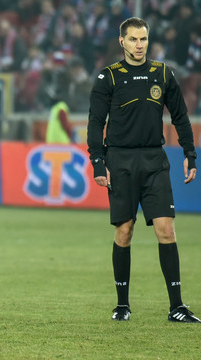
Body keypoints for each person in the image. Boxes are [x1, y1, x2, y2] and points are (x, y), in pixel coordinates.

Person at [87, 17, 200, 323]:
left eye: (144, 39)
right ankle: (122, 304)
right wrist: (98, 161)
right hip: (120, 161)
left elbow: (180, 116)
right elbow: (96, 122)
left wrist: (190, 154)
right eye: (134, 39)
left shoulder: (162, 73)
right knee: (124, 232)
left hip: (154, 161)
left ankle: (176, 306)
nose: (139, 45)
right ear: (121, 41)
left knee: (166, 229)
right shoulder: (107, 77)